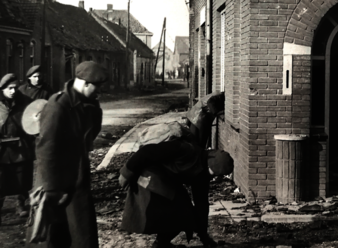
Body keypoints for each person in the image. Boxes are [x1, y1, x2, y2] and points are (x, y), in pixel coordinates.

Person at [25, 61, 107, 248]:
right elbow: (46, 150)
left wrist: (94, 107)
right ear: (85, 83)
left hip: (77, 178)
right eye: (97, 87)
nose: (99, 92)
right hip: (56, 181)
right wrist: (52, 190)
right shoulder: (58, 106)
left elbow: (91, 135)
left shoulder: (87, 105)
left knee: (81, 234)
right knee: (54, 237)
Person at [119, 137, 234, 248]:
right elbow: (147, 151)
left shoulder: (203, 175)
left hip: (167, 182)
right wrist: (126, 173)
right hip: (151, 176)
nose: (212, 178)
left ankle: (162, 243)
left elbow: (201, 205)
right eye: (213, 173)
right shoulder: (186, 150)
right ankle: (161, 244)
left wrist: (204, 235)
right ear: (209, 162)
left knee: (187, 214)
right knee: (180, 211)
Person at [0, 73, 34, 224]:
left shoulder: (25, 102)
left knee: (22, 178)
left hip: (20, 147)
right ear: (2, 89)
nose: (13, 91)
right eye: (10, 88)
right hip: (1, 149)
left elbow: (33, 121)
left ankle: (20, 204)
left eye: (15, 88)